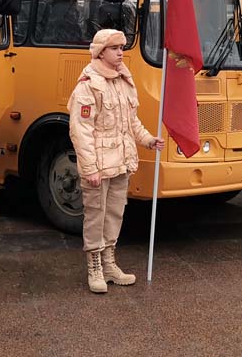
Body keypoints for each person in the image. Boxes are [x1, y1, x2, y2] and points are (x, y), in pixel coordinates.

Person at [67, 29, 164, 293]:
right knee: (95, 216)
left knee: (114, 214)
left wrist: (147, 140)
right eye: (115, 48)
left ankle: (109, 263)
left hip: (121, 161)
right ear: (101, 52)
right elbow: (80, 130)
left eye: (122, 47)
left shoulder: (123, 81)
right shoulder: (87, 85)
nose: (121, 52)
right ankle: (94, 267)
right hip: (98, 165)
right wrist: (90, 169)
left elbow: (131, 121)